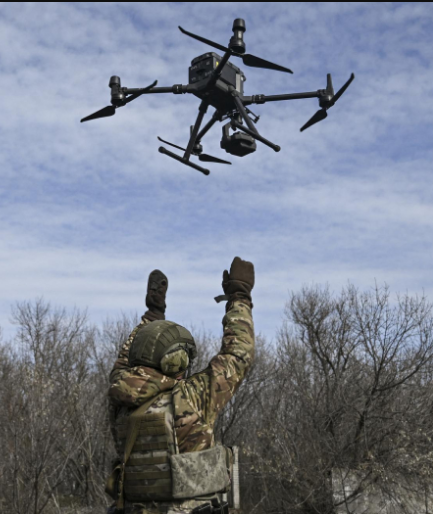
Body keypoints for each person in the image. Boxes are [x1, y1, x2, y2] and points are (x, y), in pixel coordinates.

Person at [107, 257, 255, 514]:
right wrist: (239, 297)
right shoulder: (189, 398)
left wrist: (152, 317)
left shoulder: (120, 403)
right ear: (175, 362)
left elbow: (124, 364)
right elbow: (237, 355)